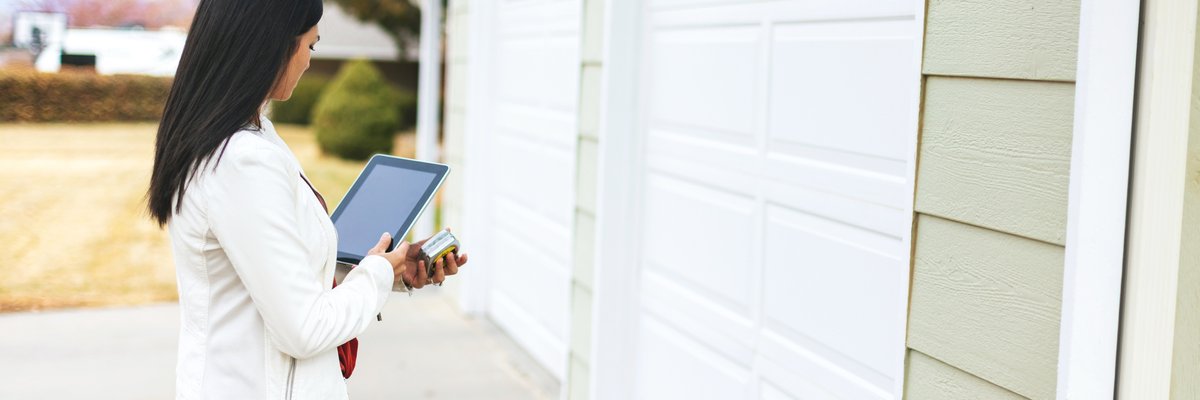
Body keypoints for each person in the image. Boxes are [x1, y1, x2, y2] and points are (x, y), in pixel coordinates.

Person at [145, 0, 467, 398]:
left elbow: (282, 277)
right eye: (310, 46)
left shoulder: (246, 137)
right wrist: (377, 274)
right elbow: (304, 328)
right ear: (274, 45)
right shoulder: (242, 162)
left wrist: (391, 269)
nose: (310, 61)